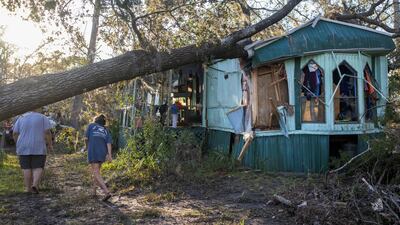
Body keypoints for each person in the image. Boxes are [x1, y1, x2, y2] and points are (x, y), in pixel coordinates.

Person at [12, 109, 53, 194]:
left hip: (23, 146)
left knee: (26, 168)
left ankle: (28, 189)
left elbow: (15, 133)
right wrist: (50, 144)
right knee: (38, 167)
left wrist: (18, 143)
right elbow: (47, 132)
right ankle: (35, 185)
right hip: (38, 146)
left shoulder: (21, 118)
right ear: (37, 108)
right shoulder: (43, 118)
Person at [85, 114, 112, 201]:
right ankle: (94, 192)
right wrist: (109, 155)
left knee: (96, 172)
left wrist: (87, 147)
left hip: (93, 150)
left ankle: (106, 192)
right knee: (96, 171)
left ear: (95, 120)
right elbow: (108, 143)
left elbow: (86, 138)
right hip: (102, 152)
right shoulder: (105, 130)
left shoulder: (91, 126)